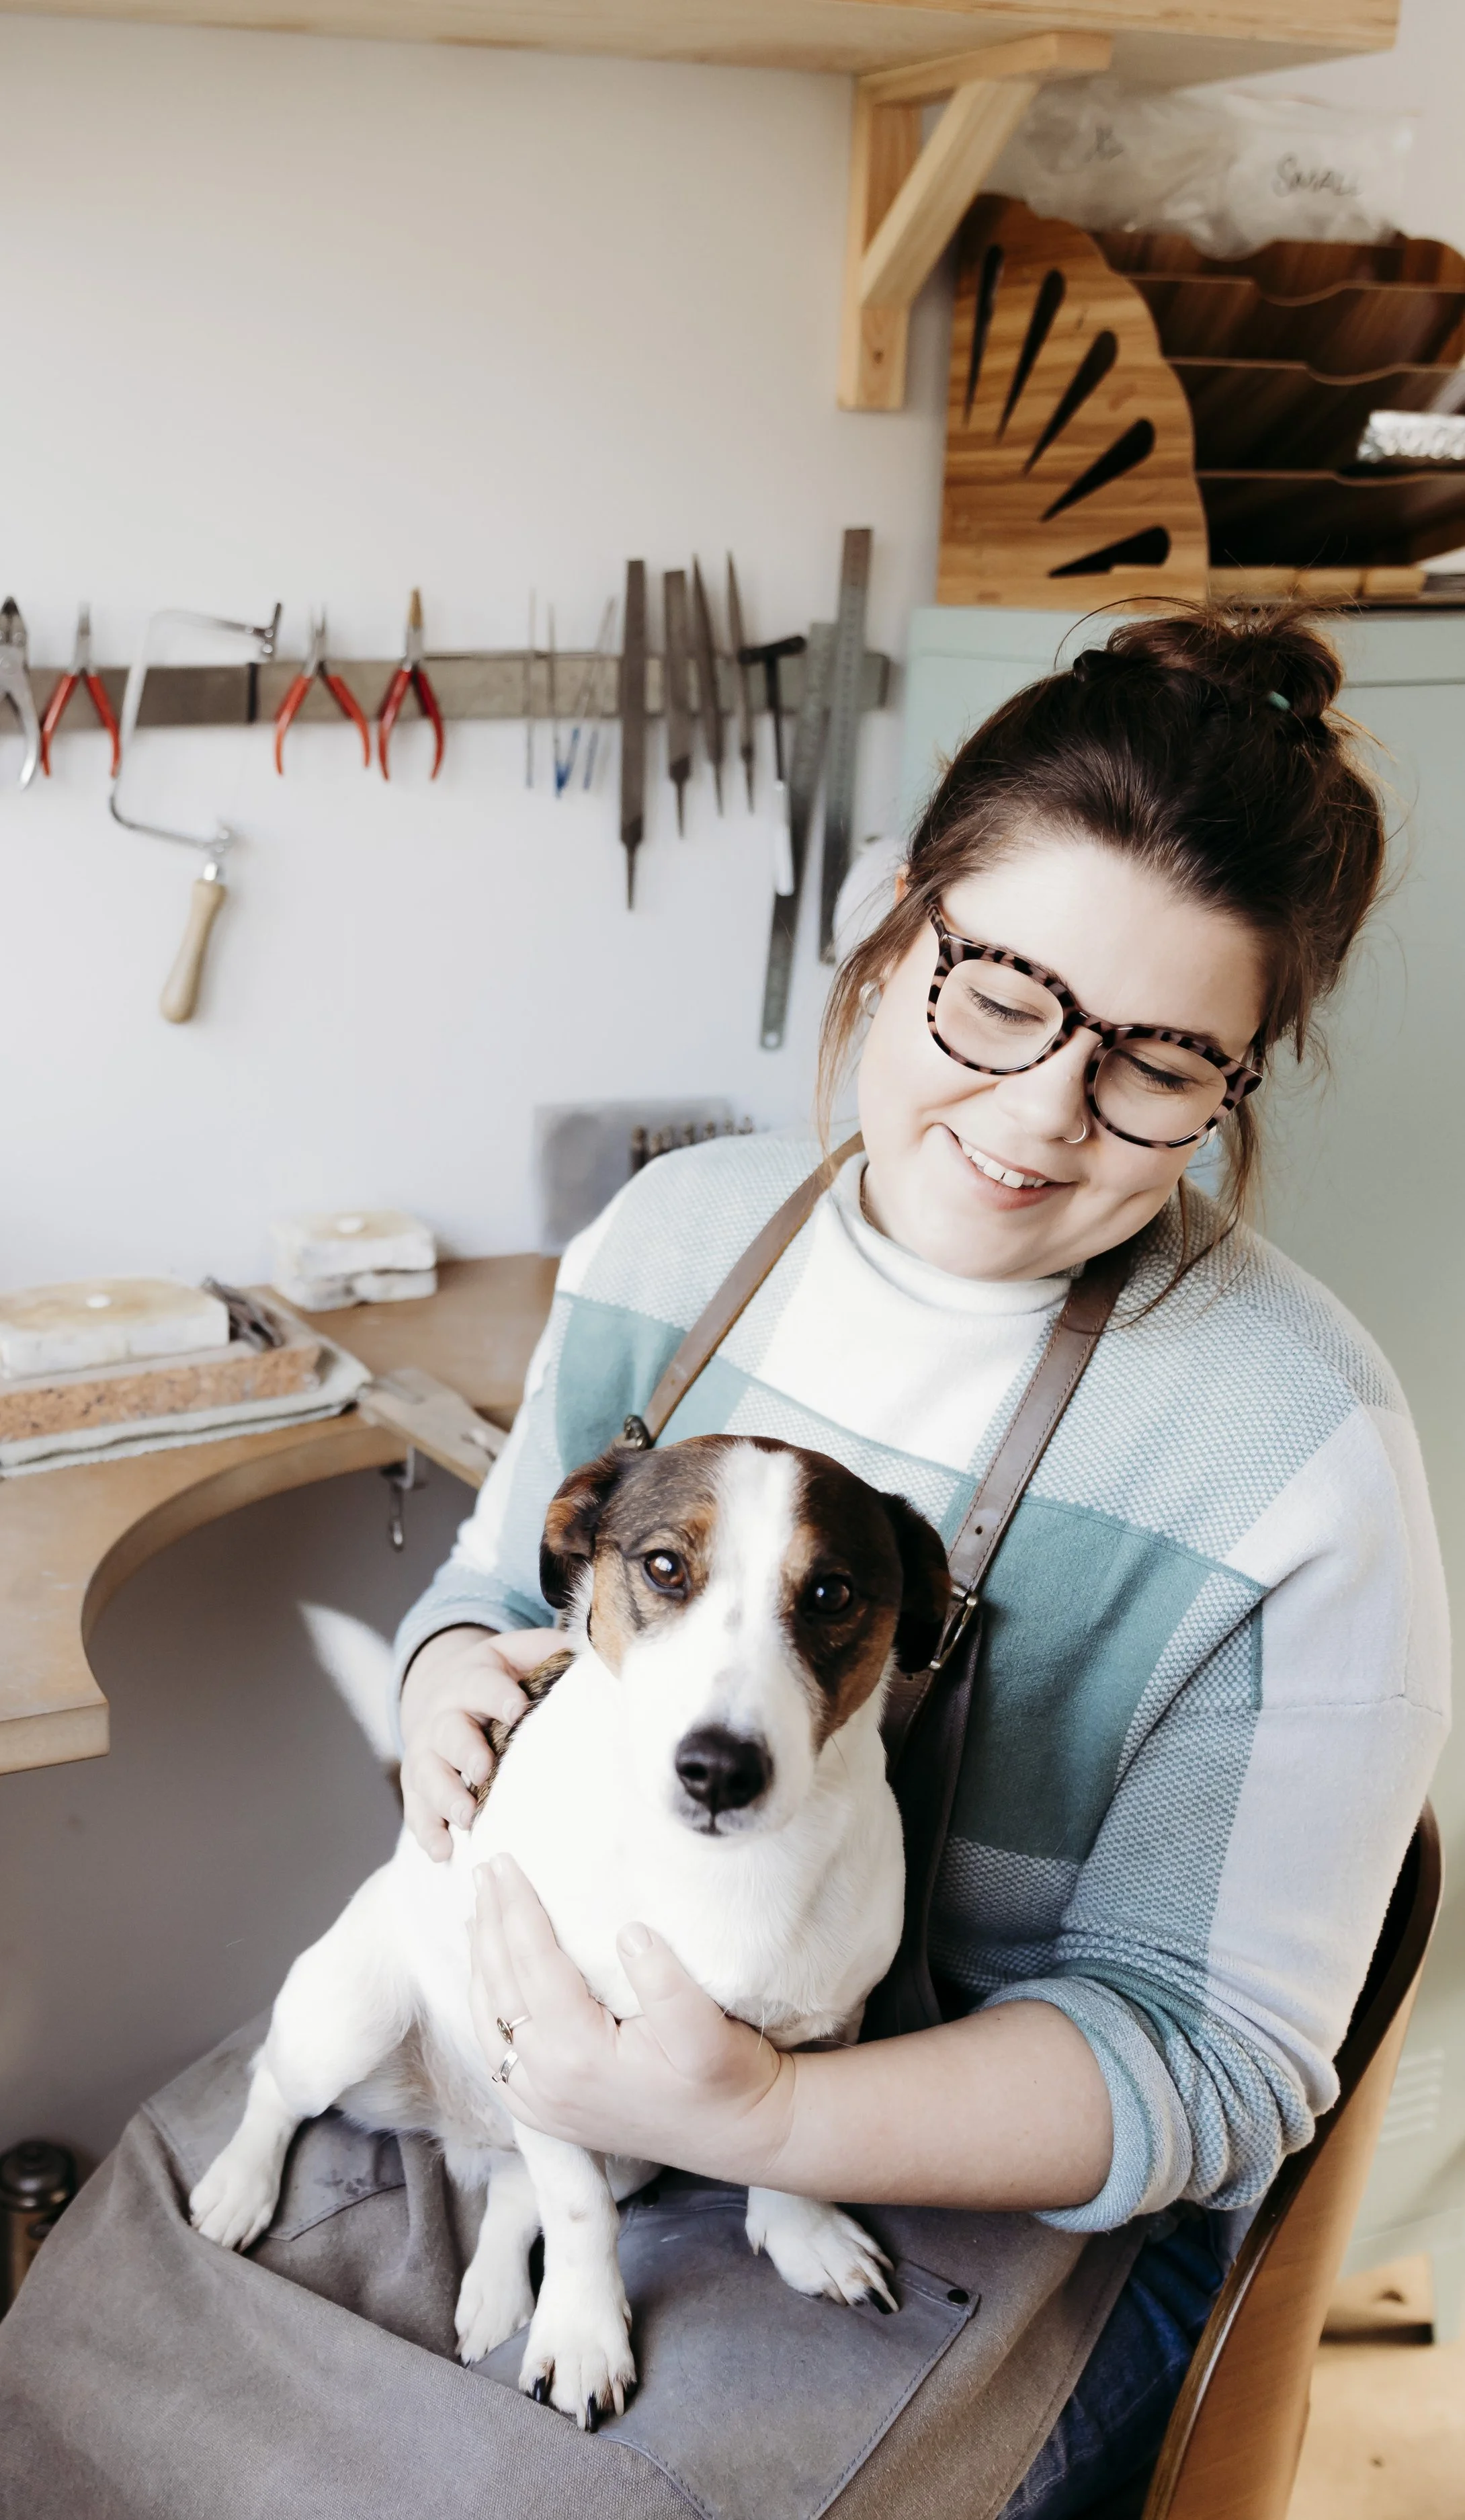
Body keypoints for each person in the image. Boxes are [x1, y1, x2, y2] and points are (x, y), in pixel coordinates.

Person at [392, 604, 1449, 2517]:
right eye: (998, 994)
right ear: (892, 927)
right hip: (588, 2084)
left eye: (1158, 1063)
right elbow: (495, 1590)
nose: (1043, 1112)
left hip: (1007, 2213)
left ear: (1238, 1078)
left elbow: (1206, 2068)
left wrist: (773, 2117)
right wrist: (442, 1678)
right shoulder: (667, 1242)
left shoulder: (1296, 1450)